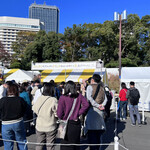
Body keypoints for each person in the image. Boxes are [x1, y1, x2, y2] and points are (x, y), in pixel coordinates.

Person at [57, 80, 89, 150]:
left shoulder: (62, 97)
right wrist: (78, 113)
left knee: (66, 144)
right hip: (76, 122)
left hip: (66, 123)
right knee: (76, 143)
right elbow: (86, 105)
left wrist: (62, 117)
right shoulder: (79, 96)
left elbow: (59, 113)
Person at [0, 83, 28, 150]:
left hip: (5, 124)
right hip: (18, 122)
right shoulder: (20, 99)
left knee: (8, 144)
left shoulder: (2, 100)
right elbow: (25, 109)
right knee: (21, 141)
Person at [32, 83, 58, 150]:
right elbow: (57, 113)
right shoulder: (53, 100)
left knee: (39, 144)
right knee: (50, 146)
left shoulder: (39, 98)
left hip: (40, 125)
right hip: (50, 126)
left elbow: (34, 109)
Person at [85, 74, 106, 150]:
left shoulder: (90, 87)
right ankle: (98, 147)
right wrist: (101, 105)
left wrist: (96, 105)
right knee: (99, 131)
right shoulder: (102, 87)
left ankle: (93, 148)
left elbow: (89, 98)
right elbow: (105, 99)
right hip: (100, 111)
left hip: (92, 110)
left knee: (91, 131)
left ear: (93, 80)